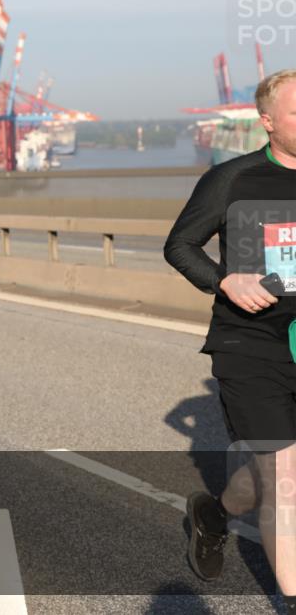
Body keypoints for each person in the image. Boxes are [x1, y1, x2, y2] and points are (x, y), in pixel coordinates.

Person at [164, 68, 296, 613]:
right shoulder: (232, 179)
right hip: (251, 345)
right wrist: (225, 280)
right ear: (268, 122)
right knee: (285, 479)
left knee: (273, 473)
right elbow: (180, 245)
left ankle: (214, 513)